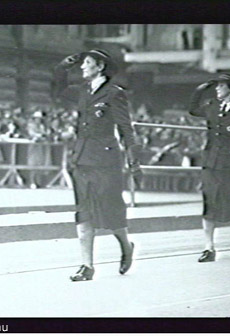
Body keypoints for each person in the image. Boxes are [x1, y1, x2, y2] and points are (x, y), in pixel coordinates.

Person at [52, 49, 142, 281]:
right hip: (82, 159)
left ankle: (126, 245)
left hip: (105, 161)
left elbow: (125, 129)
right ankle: (87, 266)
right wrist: (63, 66)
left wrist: (134, 161)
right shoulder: (82, 91)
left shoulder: (114, 94)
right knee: (83, 212)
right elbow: (58, 90)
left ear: (100, 67)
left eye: (87, 63)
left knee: (111, 212)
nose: (82, 67)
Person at [189, 74, 230, 262]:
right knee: (209, 203)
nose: (217, 89)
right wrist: (200, 89)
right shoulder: (211, 107)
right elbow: (193, 110)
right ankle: (209, 248)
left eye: (221, 86)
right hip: (211, 162)